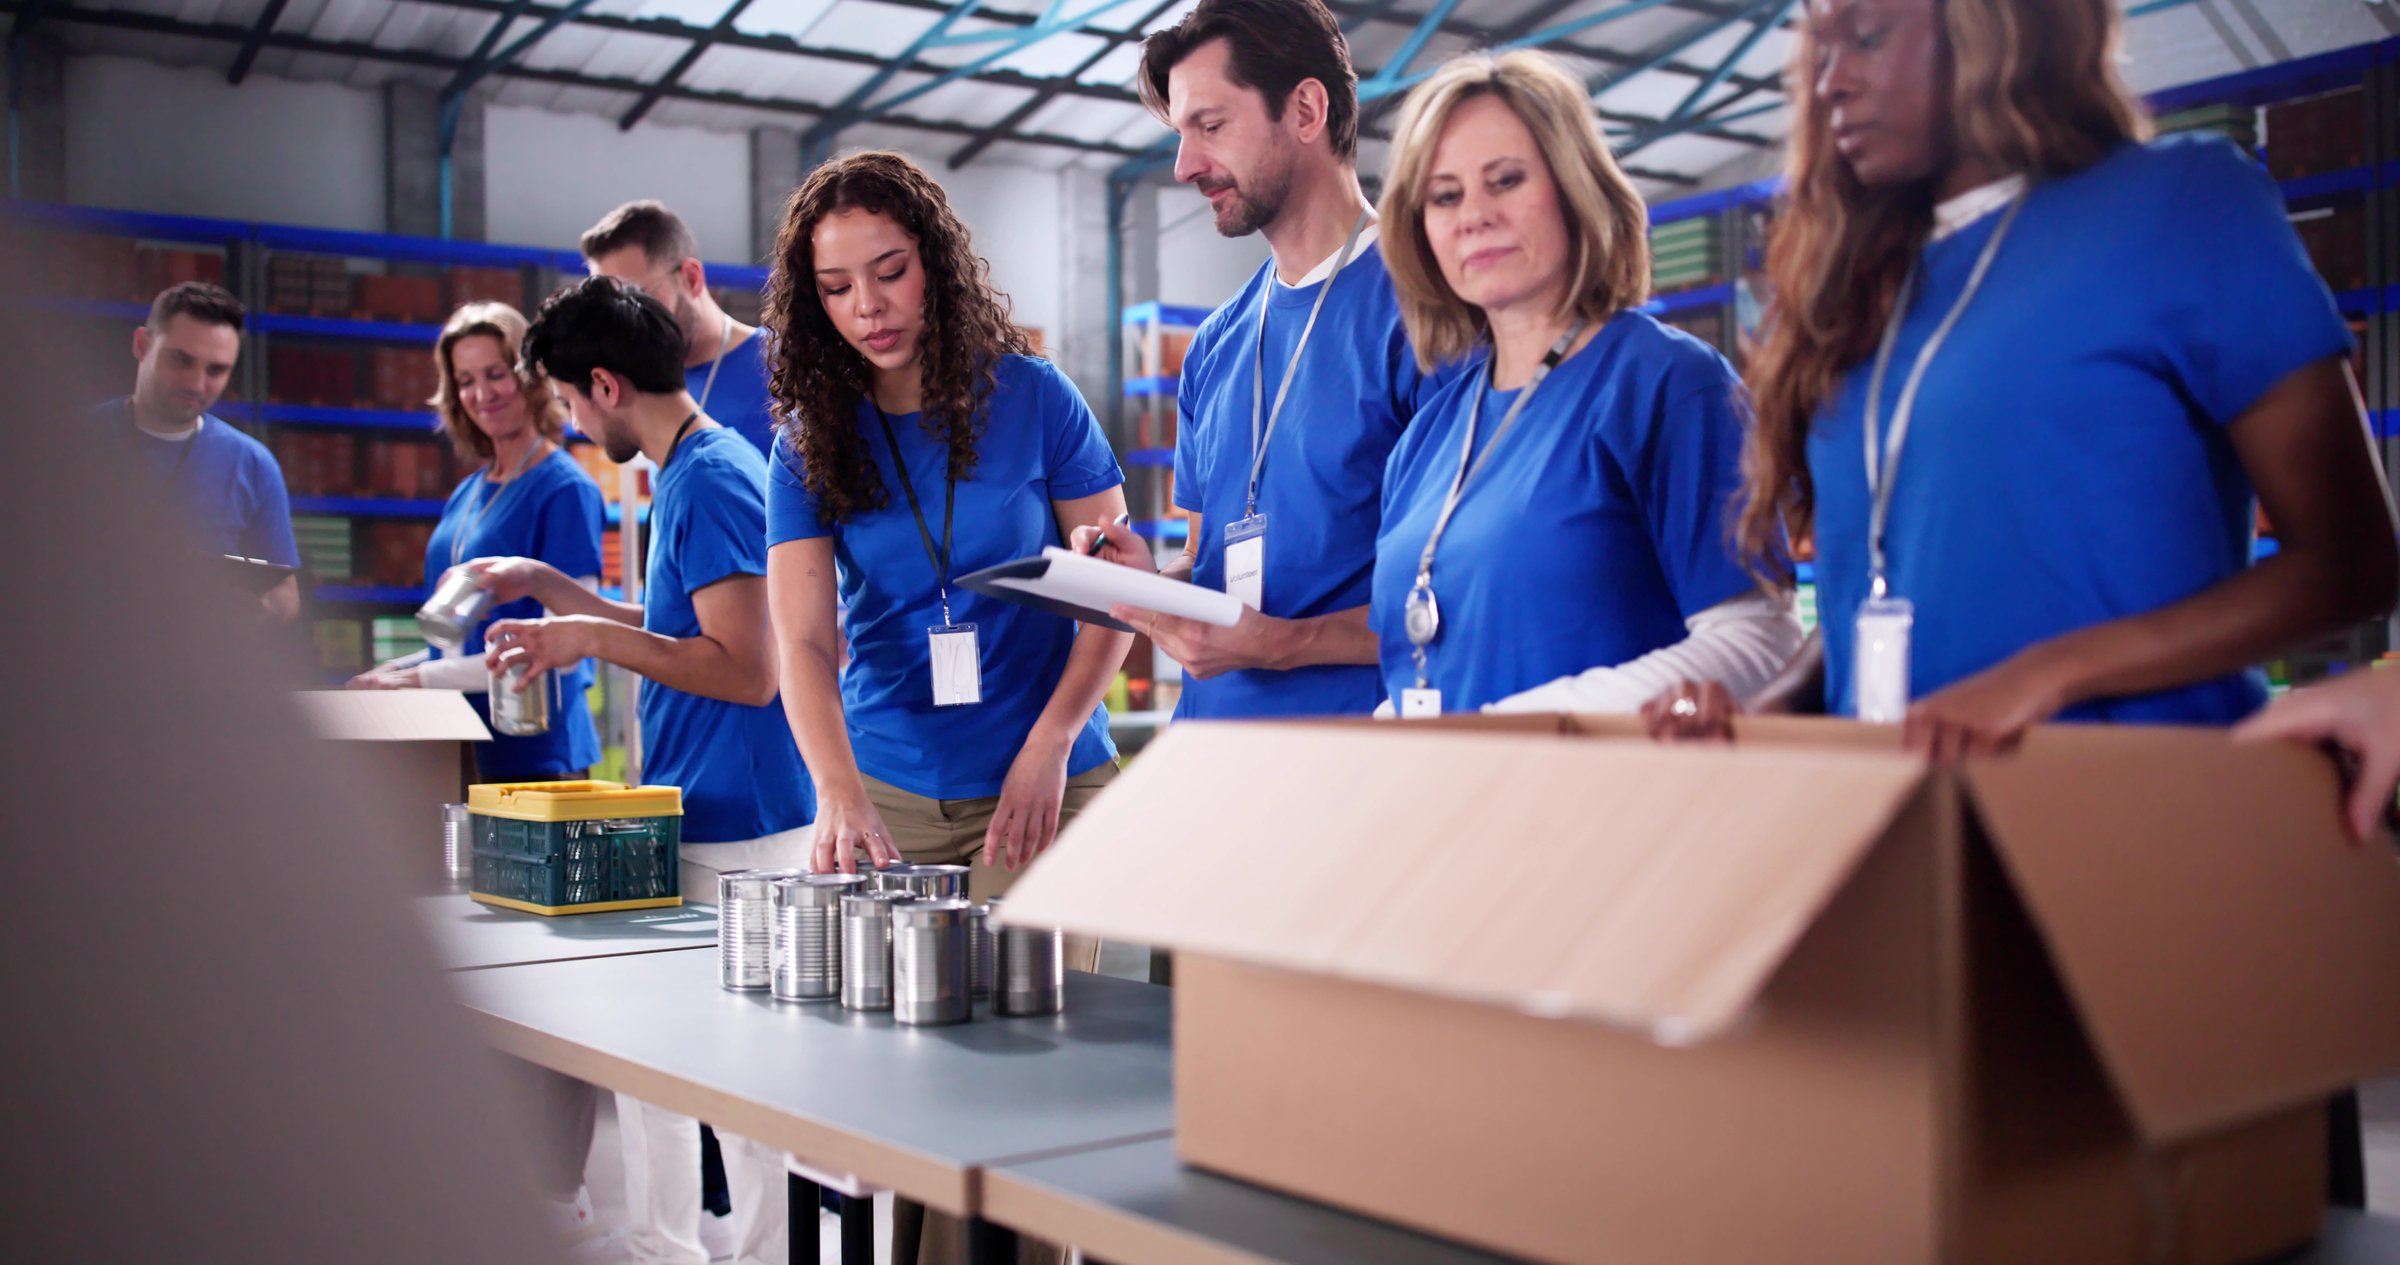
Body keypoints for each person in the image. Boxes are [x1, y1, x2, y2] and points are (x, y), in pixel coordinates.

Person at [1645, 0, 2396, 761]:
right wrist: (1763, 715)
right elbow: (1869, 590)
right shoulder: (1859, 288)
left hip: (2126, 808)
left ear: (1996, 23)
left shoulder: (2184, 206)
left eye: (1868, 37)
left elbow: (2353, 560)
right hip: (1900, 818)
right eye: (1820, 55)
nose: (1833, 83)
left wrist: (2048, 673)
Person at [761, 148, 1130, 1265]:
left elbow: (1117, 583)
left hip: (1045, 786)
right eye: (836, 287)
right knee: (919, 1108)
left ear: (936, 266)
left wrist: (1052, 739)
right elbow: (806, 641)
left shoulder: (1036, 398)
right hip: (894, 799)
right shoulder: (808, 441)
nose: (868, 307)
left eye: (889, 272)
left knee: (1026, 1107)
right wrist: (836, 790)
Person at [475, 276, 811, 1265]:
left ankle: (753, 1253)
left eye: (573, 402)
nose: (575, 425)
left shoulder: (707, 477)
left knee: (743, 1082)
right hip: (700, 808)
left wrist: (587, 635)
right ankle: (665, 1245)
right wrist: (561, 610)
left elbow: (749, 668)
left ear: (607, 384)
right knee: (654, 1058)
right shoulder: (695, 469)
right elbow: (680, 629)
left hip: (743, 821)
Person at [1365, 50, 1799, 717]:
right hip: (1447, 808)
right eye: (1444, 196)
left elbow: (1760, 641)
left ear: (1575, 188)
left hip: (1604, 806)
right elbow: (1415, 672)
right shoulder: (1426, 437)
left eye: (1505, 180)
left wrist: (1524, 727)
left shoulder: (1669, 385)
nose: (1472, 215)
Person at [1074, 0, 1443, 719]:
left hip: (1358, 760)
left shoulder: (1425, 314)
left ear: (1306, 109)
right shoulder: (1215, 344)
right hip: (1213, 757)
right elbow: (1207, 557)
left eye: (1210, 127)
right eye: (1181, 134)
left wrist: (1281, 643)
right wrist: (1149, 584)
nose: (1185, 165)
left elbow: (1463, 593)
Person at [345, 303, 607, 785]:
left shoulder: (566, 488)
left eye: (495, 374)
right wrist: (391, 674)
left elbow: (567, 645)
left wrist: (416, 680)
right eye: (465, 380)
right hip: (463, 747)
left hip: (540, 757)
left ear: (529, 376)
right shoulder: (467, 493)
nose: (481, 393)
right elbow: (452, 648)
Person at [103, 282, 300, 622]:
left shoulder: (251, 464)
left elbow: (285, 593)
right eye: (181, 360)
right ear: (142, 345)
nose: (196, 384)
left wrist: (257, 610)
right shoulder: (63, 441)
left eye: (216, 370)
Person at [583, 200, 777, 457]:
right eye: (611, 310)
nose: (623, 324)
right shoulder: (641, 387)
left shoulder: (781, 364)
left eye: (636, 299)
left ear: (690, 278)